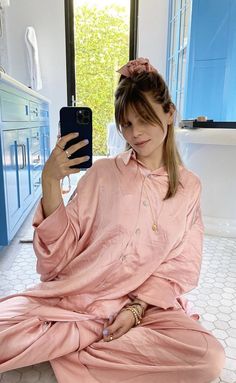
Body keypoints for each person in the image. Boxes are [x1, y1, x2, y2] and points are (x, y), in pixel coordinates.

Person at [0, 58, 225, 382]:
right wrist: (50, 183)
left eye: (144, 119)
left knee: (208, 357)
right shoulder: (103, 174)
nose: (135, 133)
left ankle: (75, 346)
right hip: (77, 302)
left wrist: (135, 311)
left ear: (169, 113)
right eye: (127, 124)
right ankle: (87, 342)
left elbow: (180, 263)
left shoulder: (189, 188)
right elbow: (58, 254)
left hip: (143, 310)